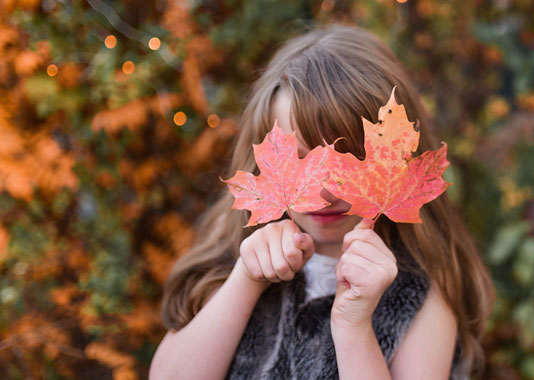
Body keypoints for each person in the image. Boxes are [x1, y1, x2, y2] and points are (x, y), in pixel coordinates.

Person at [150, 25, 494, 380]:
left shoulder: (421, 294)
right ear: (264, 162)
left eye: (350, 160)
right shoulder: (235, 255)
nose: (326, 192)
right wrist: (245, 280)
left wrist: (353, 326)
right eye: (303, 160)